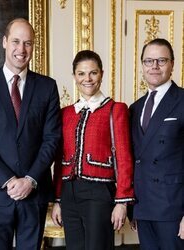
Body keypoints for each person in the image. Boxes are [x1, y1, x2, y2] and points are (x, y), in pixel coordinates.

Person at [0, 18, 61, 250]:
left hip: (34, 192)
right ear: (4, 42)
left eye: (28, 43)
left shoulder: (47, 86)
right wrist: (9, 181)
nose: (21, 49)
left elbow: (52, 139)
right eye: (16, 42)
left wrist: (29, 180)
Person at [52, 50, 134, 250]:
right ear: (74, 76)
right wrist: (58, 200)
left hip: (99, 193)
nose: (87, 79)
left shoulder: (116, 109)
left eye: (93, 73)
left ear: (102, 74)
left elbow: (124, 157)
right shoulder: (66, 114)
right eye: (81, 73)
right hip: (69, 194)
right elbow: (59, 160)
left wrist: (122, 202)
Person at [129, 38, 184, 249]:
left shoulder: (182, 100)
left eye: (161, 60)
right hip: (143, 208)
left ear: (172, 64)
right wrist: (132, 208)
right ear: (142, 65)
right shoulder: (135, 108)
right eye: (148, 61)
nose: (154, 66)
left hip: (174, 209)